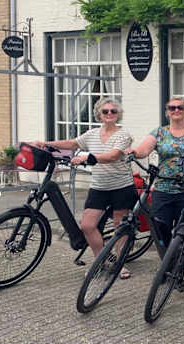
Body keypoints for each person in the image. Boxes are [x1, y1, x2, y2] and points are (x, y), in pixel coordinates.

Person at [33, 97, 136, 279]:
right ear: (99, 114)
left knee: (120, 226)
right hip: (99, 187)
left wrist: (88, 157)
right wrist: (47, 144)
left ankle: (120, 263)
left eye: (113, 111)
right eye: (105, 111)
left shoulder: (123, 135)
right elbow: (73, 143)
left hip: (121, 186)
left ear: (118, 114)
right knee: (87, 225)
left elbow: (113, 156)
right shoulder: (92, 134)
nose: (109, 114)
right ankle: (100, 261)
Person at [127, 97, 184, 250]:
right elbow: (144, 150)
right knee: (161, 230)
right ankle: (167, 259)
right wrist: (134, 152)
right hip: (163, 189)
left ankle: (182, 259)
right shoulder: (159, 133)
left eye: (180, 107)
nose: (176, 110)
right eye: (172, 108)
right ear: (167, 112)